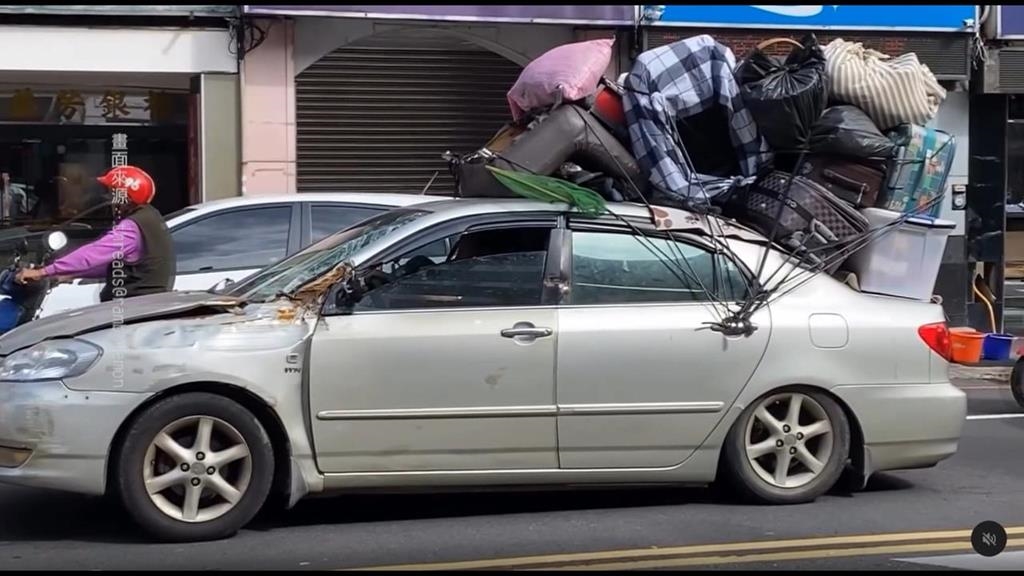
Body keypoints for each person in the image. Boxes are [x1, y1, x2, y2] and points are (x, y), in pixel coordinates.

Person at [16, 165, 175, 301]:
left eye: (113, 193)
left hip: (132, 307)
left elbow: (91, 255)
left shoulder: (131, 227)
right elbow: (116, 265)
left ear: (126, 197)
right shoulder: (150, 217)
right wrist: (68, 274)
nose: (110, 199)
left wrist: (42, 272)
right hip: (143, 303)